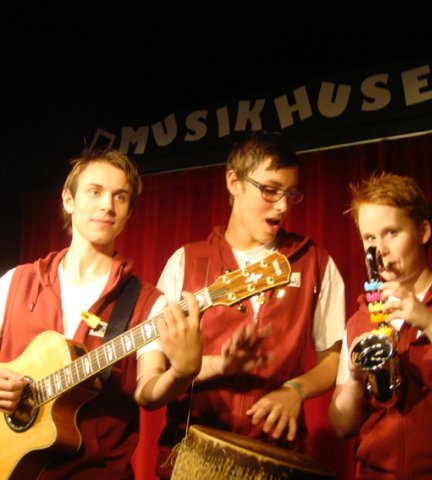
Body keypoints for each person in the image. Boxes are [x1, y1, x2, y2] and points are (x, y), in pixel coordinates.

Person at [153, 131, 346, 477]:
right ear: (234, 182)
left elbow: (332, 360)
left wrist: (295, 390)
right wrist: (217, 364)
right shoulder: (186, 262)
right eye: (270, 190)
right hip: (193, 455)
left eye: (291, 194)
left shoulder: (315, 262)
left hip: (275, 457)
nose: (283, 206)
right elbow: (158, 370)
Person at [0, 149, 202, 479]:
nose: (107, 205)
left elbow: (148, 390)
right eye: (95, 192)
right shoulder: (15, 282)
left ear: (129, 212)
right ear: (68, 200)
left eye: (119, 197)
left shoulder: (149, 303)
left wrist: (181, 372)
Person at [328, 172, 432, 479]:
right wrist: (355, 379)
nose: (379, 250)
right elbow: (342, 426)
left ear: (423, 232)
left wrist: (430, 323)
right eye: (370, 238)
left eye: (391, 233)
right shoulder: (360, 319)